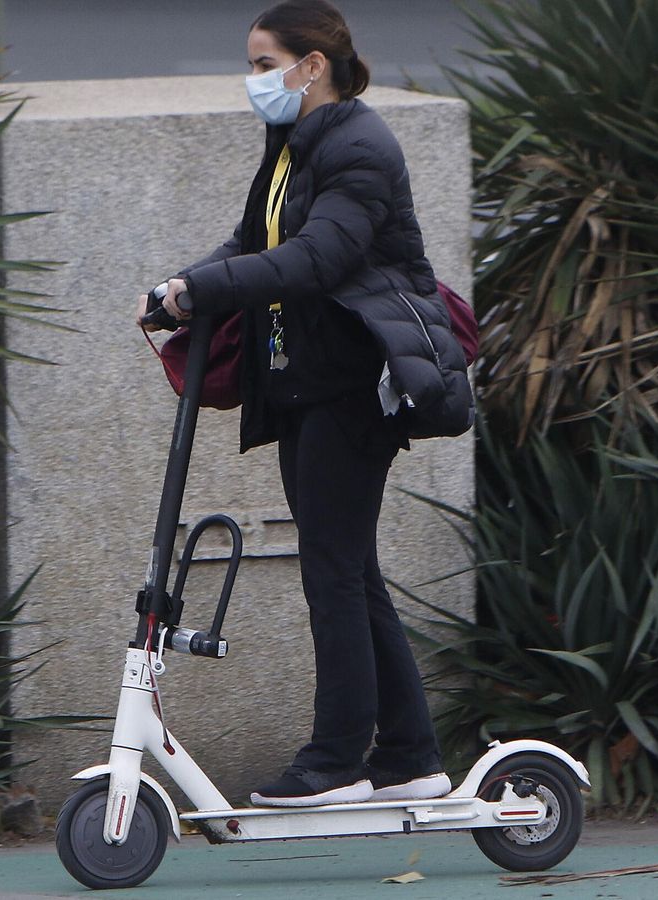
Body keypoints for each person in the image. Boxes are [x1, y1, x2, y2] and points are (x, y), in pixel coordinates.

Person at [135, 0, 468, 808]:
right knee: (352, 571)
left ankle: (337, 763)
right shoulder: (294, 143)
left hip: (354, 385)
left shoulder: (360, 145)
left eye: (261, 64)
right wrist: (181, 288)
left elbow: (318, 258)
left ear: (310, 65)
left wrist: (205, 288)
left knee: (333, 573)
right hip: (306, 383)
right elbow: (254, 243)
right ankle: (409, 757)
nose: (253, 81)